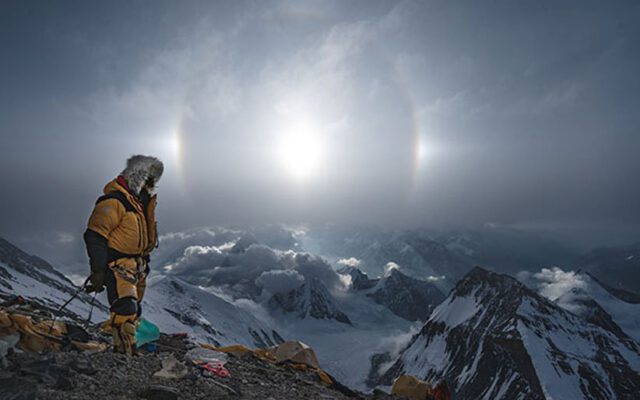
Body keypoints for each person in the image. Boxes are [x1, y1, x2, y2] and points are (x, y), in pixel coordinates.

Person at [83, 155, 163, 355]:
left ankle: (128, 348)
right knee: (125, 307)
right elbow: (95, 235)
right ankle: (122, 352)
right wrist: (99, 270)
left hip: (137, 266)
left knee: (134, 310)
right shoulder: (114, 202)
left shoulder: (139, 206)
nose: (151, 184)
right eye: (148, 178)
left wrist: (145, 262)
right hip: (118, 265)